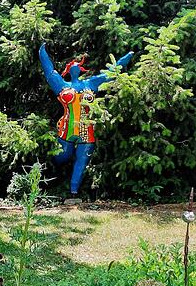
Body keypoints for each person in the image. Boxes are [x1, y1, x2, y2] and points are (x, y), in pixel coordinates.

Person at [39, 43, 134, 201]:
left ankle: (73, 192)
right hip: (66, 129)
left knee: (82, 161)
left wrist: (125, 59)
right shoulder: (62, 85)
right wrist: (42, 53)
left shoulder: (91, 84)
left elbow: (110, 73)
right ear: (69, 70)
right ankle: (51, 169)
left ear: (81, 70)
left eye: (79, 65)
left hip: (87, 130)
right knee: (62, 156)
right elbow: (50, 72)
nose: (76, 67)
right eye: (73, 66)